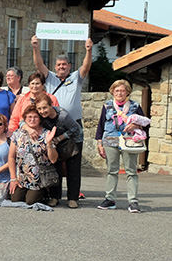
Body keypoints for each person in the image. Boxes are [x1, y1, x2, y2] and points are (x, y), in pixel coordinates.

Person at [96, 80, 150, 213]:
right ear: (113, 92)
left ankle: (133, 201)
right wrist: (99, 143)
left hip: (129, 141)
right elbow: (101, 124)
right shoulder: (107, 105)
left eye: (122, 90)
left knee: (131, 171)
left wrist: (136, 126)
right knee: (111, 171)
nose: (119, 93)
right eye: (117, 90)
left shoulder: (135, 106)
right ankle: (110, 199)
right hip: (110, 140)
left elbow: (145, 123)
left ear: (127, 92)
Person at [34, 92, 83, 208]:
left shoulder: (63, 115)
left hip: (73, 141)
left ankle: (73, 198)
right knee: (55, 169)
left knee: (73, 169)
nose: (42, 111)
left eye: (45, 107)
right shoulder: (40, 116)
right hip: (55, 142)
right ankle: (55, 197)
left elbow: (77, 129)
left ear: (51, 105)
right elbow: (24, 120)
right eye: (39, 109)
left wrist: (60, 138)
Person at [32, 35, 93, 125]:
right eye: (59, 65)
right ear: (55, 67)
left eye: (64, 64)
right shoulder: (49, 77)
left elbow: (86, 67)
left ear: (69, 66)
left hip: (74, 121)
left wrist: (89, 50)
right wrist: (35, 48)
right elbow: (39, 65)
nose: (61, 67)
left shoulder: (76, 77)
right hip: (54, 121)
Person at [7, 105, 58, 205]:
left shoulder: (46, 134)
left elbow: (53, 159)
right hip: (22, 177)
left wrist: (49, 143)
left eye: (35, 117)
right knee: (15, 199)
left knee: (30, 201)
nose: (32, 119)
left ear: (40, 119)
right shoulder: (18, 134)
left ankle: (44, 192)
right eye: (29, 117)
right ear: (25, 119)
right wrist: (13, 178)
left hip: (39, 178)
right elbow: (11, 156)